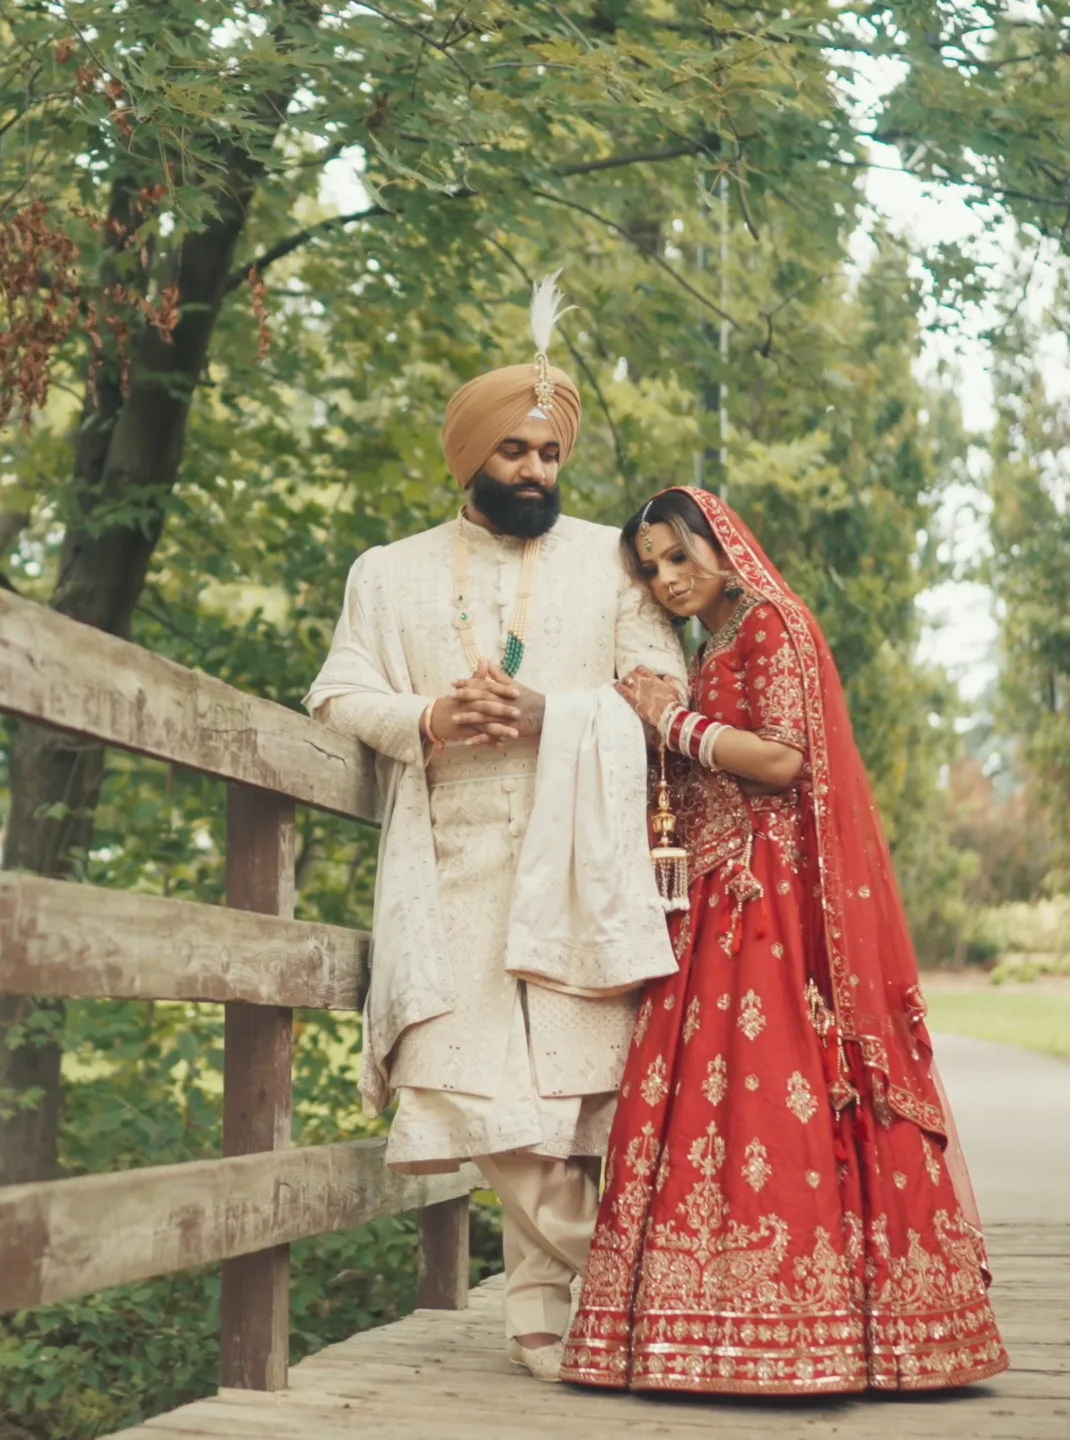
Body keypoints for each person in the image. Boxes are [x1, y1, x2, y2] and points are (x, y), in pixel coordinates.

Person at [305, 279, 686, 1383]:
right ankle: (644, 1290)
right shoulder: (387, 573)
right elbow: (337, 696)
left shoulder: (612, 565)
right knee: (461, 1067)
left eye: (549, 455)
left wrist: (552, 714)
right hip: (452, 851)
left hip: (580, 853)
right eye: (514, 452)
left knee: (569, 1085)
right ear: (469, 455)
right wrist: (428, 714)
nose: (535, 472)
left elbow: (661, 682)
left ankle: (542, 1299)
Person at [558, 486, 1009, 1395]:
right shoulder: (713, 639)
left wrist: (670, 721)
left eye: (680, 556)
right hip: (716, 895)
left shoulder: (772, 621)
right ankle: (709, 1319)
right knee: (709, 1099)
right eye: (651, 567)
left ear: (720, 541)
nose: (668, 579)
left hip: (768, 897)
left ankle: (814, 1322)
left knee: (780, 1091)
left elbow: (784, 758)